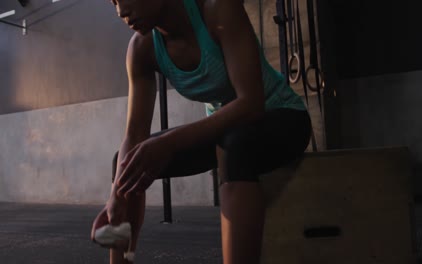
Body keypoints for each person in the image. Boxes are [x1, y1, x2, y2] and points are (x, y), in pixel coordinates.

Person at [90, 0, 312, 263]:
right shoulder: (141, 48)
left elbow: (251, 103)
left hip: (280, 115)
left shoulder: (218, 9)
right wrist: (117, 194)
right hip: (225, 131)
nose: (120, 11)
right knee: (126, 165)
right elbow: (134, 133)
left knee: (233, 146)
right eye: (113, 1)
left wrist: (169, 143)